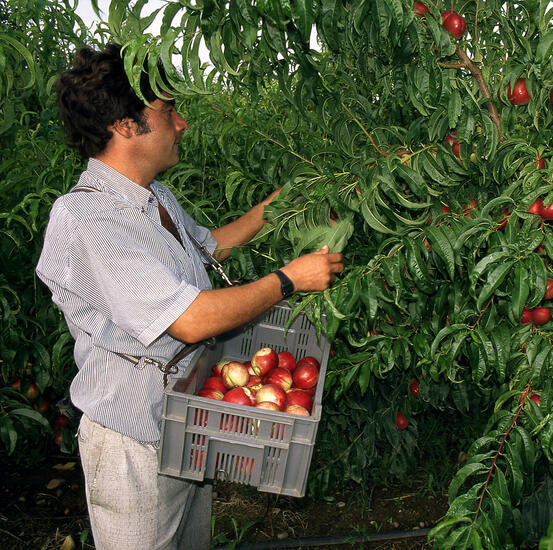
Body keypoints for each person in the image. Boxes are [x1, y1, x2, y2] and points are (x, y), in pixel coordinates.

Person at [35, 43, 344, 550]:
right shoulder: (89, 219)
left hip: (185, 418)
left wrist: (276, 208)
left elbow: (205, 249)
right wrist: (287, 280)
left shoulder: (154, 197)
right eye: (167, 111)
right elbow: (191, 320)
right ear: (125, 125)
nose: (181, 123)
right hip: (132, 440)